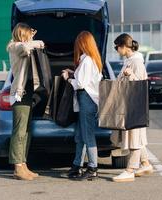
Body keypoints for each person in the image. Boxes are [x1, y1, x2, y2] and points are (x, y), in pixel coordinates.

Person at [111, 33, 153, 182]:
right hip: (130, 104)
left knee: (135, 138)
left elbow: (141, 84)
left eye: (117, 47)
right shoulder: (130, 60)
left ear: (123, 46)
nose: (116, 50)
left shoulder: (136, 62)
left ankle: (130, 169)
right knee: (137, 136)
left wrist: (131, 76)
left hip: (134, 105)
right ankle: (145, 163)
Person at [62, 31, 103, 181]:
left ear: (83, 43)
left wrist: (68, 78)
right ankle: (76, 165)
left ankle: (92, 167)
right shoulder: (91, 59)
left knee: (87, 135)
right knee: (80, 135)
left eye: (78, 43)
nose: (76, 46)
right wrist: (74, 72)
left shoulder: (86, 61)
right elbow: (85, 78)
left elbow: (80, 84)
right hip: (87, 100)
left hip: (86, 100)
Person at [6, 22, 44, 181]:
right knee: (19, 131)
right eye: (28, 34)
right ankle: (17, 167)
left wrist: (31, 38)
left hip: (28, 93)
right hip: (19, 94)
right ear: (23, 34)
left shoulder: (22, 45)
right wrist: (35, 40)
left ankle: (23, 164)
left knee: (26, 131)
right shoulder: (15, 47)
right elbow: (31, 47)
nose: (30, 36)